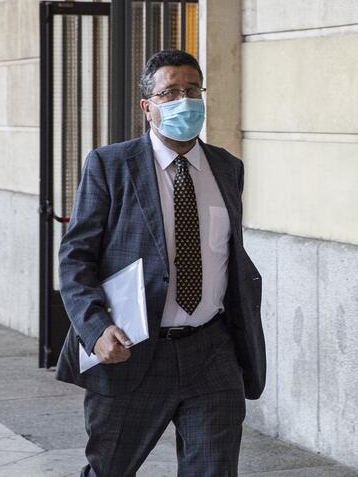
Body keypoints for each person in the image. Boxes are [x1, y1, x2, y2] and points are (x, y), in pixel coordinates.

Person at [56, 49, 266, 476]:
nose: (183, 100)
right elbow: (76, 258)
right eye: (170, 92)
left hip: (212, 352)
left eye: (192, 90)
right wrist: (95, 329)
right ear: (147, 106)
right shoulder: (111, 165)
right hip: (133, 351)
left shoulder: (227, 168)